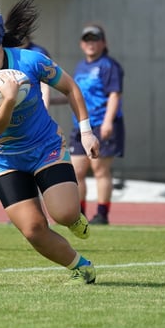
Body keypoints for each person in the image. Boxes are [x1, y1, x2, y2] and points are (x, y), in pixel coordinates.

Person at [0, 0, 100, 284]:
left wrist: (86, 132)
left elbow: (70, 88)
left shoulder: (30, 60)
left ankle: (74, 218)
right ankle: (80, 266)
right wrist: (9, 99)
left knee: (64, 213)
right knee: (33, 229)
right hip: (5, 159)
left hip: (45, 147)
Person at [70, 24, 125, 225]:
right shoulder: (80, 66)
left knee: (100, 170)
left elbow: (114, 95)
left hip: (102, 123)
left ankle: (102, 214)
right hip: (82, 125)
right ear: (81, 44)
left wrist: (108, 122)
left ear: (104, 43)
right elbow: (77, 95)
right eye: (87, 40)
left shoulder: (109, 65)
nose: (91, 43)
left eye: (95, 39)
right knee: (76, 171)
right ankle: (79, 214)